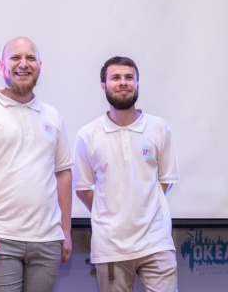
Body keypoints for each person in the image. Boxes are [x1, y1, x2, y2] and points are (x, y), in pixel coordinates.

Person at [0, 36, 73, 291]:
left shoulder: (54, 117)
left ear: (40, 66)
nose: (23, 64)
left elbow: (63, 174)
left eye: (30, 58)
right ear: (2, 65)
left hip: (47, 241)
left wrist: (65, 231)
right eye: (15, 58)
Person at [73, 56, 179, 292]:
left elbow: (166, 180)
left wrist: (142, 208)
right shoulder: (88, 135)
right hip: (111, 247)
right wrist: (112, 213)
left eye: (129, 77)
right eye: (116, 78)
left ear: (137, 83)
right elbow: (82, 189)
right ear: (103, 86)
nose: (123, 82)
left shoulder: (159, 128)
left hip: (156, 242)